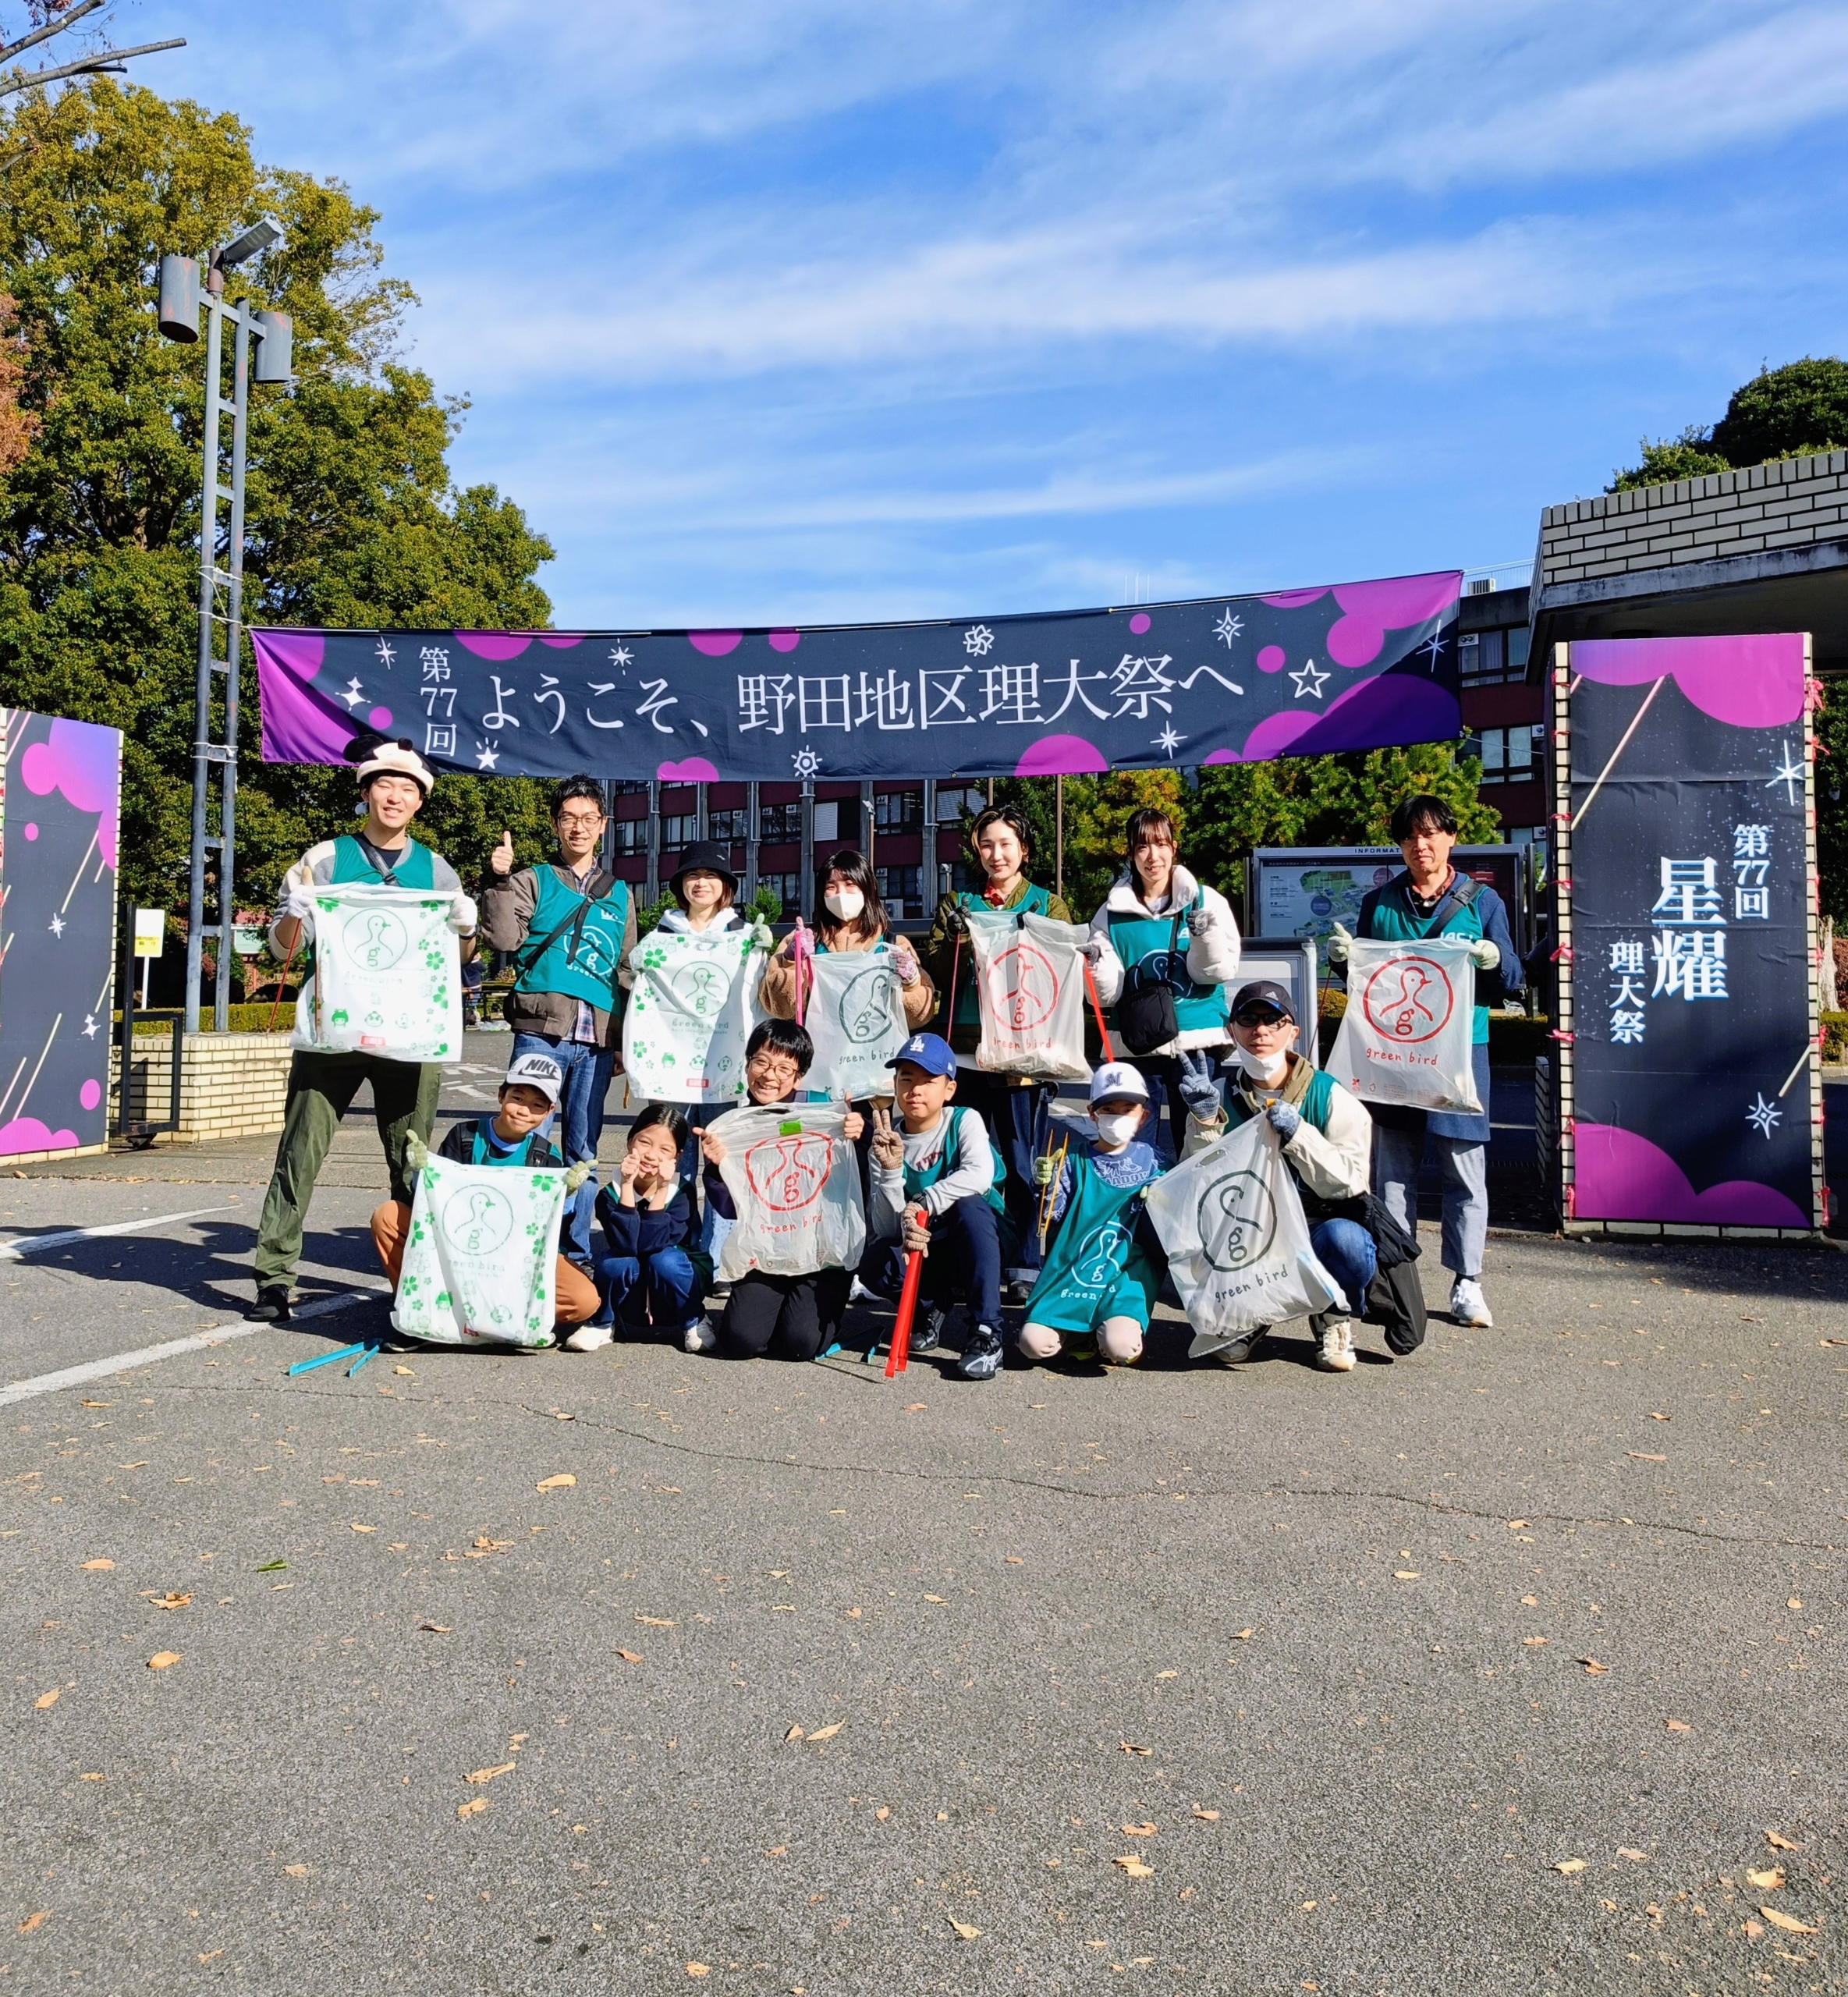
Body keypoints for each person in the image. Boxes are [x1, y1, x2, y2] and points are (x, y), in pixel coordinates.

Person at [247, 734, 477, 1321]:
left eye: (407, 788)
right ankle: (274, 1277)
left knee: (411, 1158)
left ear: (420, 800)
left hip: (410, 1032)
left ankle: (416, 1281)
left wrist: (467, 927)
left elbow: (461, 955)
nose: (395, 796)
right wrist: (293, 915)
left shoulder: (437, 870)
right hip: (334, 1029)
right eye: (384, 785)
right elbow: (280, 949)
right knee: (301, 1150)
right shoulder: (324, 858)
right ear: (366, 791)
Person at [1325, 794, 1521, 1330]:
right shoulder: (1379, 903)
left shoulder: (1482, 902)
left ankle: (1467, 1280)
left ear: (1451, 838)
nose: (1421, 845)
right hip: (1393, 1057)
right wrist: (1342, 961)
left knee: (1464, 1170)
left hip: (1461, 1053)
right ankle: (1395, 1278)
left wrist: (1493, 959)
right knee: (1393, 1176)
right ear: (1400, 844)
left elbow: (1512, 976)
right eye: (1410, 836)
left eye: (1431, 834)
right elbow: (1366, 983)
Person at [1177, 981, 1382, 1371]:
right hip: (1248, 1234)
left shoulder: (1330, 1096)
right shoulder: (1215, 1094)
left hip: (1316, 1228)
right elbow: (1194, 1185)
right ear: (1231, 1031)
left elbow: (1352, 1183)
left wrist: (1299, 1134)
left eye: (1274, 1020)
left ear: (1294, 1032)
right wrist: (1205, 1122)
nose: (1260, 1031)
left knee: (1347, 1243)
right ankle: (1250, 1312)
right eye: (1248, 1020)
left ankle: (1333, 1314)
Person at [923, 803, 1080, 1300]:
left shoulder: (1047, 904)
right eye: (987, 845)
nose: (996, 854)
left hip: (1023, 1053)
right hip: (968, 1050)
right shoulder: (959, 902)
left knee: (1022, 1161)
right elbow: (937, 972)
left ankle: (1025, 1259)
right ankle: (969, 1255)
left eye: (1006, 844)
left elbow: (1064, 967)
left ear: (1024, 850)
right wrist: (957, 938)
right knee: (966, 1158)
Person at [479, 777, 636, 1261]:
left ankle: (574, 1251)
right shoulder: (533, 879)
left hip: (596, 1039)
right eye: (568, 818)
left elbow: (626, 968)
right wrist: (498, 880)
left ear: (603, 825)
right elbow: (504, 939)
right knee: (527, 1137)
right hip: (540, 1033)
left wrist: (624, 1039)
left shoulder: (620, 892)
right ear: (555, 824)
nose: (578, 828)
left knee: (583, 1151)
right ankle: (522, 1248)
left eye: (589, 819)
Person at [368, 1050, 601, 1334]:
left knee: (583, 1300)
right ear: (501, 1095)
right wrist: (421, 1172)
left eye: (538, 1105)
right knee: (388, 1215)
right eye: (517, 1098)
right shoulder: (464, 1136)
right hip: (454, 1246)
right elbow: (432, 1199)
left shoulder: (547, 1157)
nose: (524, 1110)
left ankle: (499, 1317)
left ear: (549, 1112)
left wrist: (566, 1194)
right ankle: (423, 1310)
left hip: (516, 1257)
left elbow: (547, 1227)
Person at [688, 1018, 864, 1362]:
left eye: (784, 1068)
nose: (770, 1075)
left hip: (820, 1253)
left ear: (799, 1077)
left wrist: (860, 1132)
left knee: (799, 1344)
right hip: (767, 1249)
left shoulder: (822, 1112)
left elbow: (856, 1180)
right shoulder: (736, 1127)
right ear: (747, 1064)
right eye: (762, 1062)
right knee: (740, 1341)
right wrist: (719, 1166)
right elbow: (728, 1208)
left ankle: (819, 1314)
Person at [631, 839, 764, 1264]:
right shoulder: (661, 937)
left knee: (723, 1163)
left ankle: (718, 1255)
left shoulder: (744, 937)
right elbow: (639, 988)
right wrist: (638, 964)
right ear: (680, 885)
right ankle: (675, 1245)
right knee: (674, 1159)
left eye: (711, 875)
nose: (701, 883)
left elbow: (765, 994)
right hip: (671, 1069)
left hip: (725, 1064)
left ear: (726, 885)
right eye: (692, 875)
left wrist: (771, 955)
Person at [1087, 805, 1240, 1159]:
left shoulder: (1205, 900)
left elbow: (1219, 971)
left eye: (1160, 845)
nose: (1152, 856)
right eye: (1142, 847)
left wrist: (1204, 937)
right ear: (1131, 853)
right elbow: (1105, 995)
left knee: (1202, 1143)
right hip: (1137, 1044)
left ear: (1174, 848)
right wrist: (1095, 966)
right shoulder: (1110, 912)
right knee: (1135, 1148)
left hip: (1198, 1040)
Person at [857, 1031, 1006, 1380]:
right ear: (895, 1085)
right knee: (875, 1262)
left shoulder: (964, 1120)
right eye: (907, 1079)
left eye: (928, 1080)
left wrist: (923, 1201)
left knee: (969, 1206)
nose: (916, 1090)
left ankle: (987, 1331)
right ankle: (930, 1306)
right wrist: (891, 1171)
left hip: (979, 1242)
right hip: (927, 1249)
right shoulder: (886, 1140)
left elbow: (979, 1175)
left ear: (949, 1089)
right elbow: (887, 1229)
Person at [1018, 1061, 1168, 1368]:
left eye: (1128, 1109)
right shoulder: (1071, 1159)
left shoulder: (1155, 1163)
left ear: (1143, 1116)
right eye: (1108, 1109)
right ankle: (1079, 1335)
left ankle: (1111, 1331)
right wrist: (1045, 1190)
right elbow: (1052, 1219)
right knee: (1032, 1344)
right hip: (1074, 1270)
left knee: (1120, 1347)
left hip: (1125, 1273)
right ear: (1092, 1113)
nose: (1118, 1116)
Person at [579, 1102, 708, 1353]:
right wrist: (627, 1185)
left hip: (674, 1286)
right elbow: (626, 1245)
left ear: (677, 1156)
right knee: (615, 1262)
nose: (651, 1155)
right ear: (630, 1142)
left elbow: (652, 1245)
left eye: (665, 1149)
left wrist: (661, 1190)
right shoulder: (609, 1194)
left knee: (664, 1260)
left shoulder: (681, 1193)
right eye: (645, 1142)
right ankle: (602, 1324)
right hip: (632, 1294)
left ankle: (694, 1321)